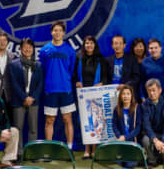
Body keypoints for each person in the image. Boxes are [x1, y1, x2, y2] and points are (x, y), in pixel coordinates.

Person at [39, 21, 76, 149]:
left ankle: (70, 148)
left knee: (67, 119)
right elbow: (43, 69)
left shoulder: (70, 50)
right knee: (49, 120)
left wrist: (63, 79)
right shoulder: (44, 50)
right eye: (55, 30)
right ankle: (49, 149)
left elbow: (70, 70)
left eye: (60, 30)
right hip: (50, 90)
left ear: (64, 33)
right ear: (51, 32)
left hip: (66, 90)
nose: (57, 32)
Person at [8, 38, 43, 161]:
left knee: (33, 128)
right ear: (21, 49)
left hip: (34, 101)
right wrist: (24, 97)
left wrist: (32, 98)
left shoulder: (38, 64)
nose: (27, 49)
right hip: (19, 101)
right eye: (25, 47)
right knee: (18, 129)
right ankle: (19, 154)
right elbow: (14, 83)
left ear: (33, 49)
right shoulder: (14, 64)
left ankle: (32, 153)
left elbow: (40, 84)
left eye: (30, 47)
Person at [75, 35, 109, 158]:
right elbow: (74, 75)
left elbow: (106, 76)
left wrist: (102, 83)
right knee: (85, 122)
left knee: (95, 121)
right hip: (83, 95)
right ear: (84, 45)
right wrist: (76, 82)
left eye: (91, 43)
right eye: (87, 43)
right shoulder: (79, 58)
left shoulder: (101, 59)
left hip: (96, 94)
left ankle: (94, 149)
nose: (89, 45)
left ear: (95, 45)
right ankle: (86, 149)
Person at [142, 79, 164, 167]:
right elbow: (147, 126)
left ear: (160, 90)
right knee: (145, 140)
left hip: (162, 132)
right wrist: (155, 140)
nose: (151, 93)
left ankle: (161, 158)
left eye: (154, 90)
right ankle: (152, 160)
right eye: (149, 90)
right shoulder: (144, 105)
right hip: (151, 134)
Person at [130, 38, 147, 103]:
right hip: (133, 91)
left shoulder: (148, 61)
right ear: (133, 48)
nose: (139, 48)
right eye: (136, 46)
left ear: (144, 47)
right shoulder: (129, 61)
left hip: (146, 91)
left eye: (140, 46)